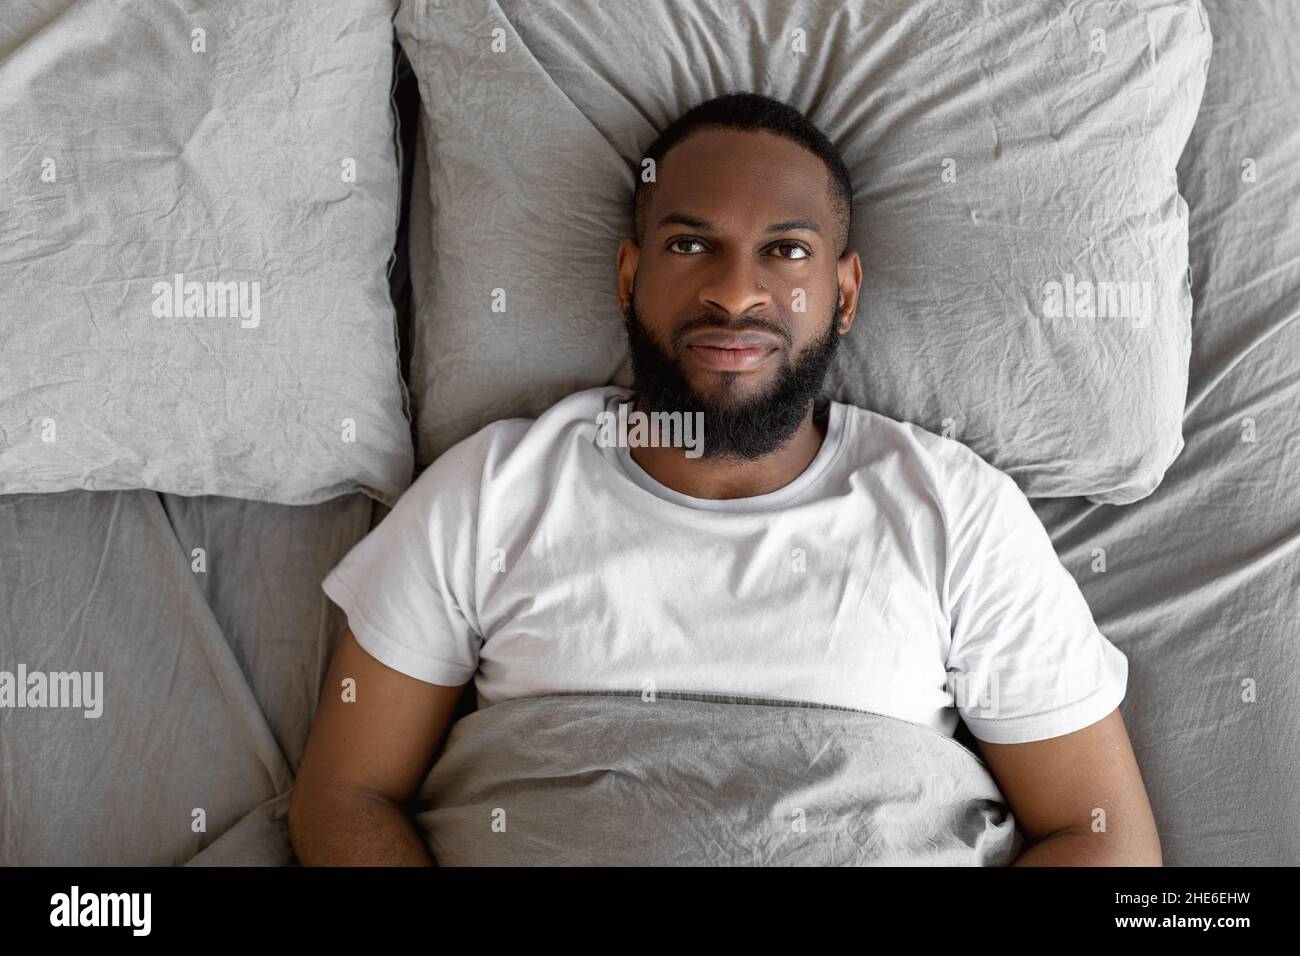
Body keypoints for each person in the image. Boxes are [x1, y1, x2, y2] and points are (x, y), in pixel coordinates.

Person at [289, 92, 1161, 867]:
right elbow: (346, 797)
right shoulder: (491, 491)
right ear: (631, 275)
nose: (736, 292)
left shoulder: (956, 513)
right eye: (691, 242)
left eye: (785, 251)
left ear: (845, 294)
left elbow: (1102, 834)